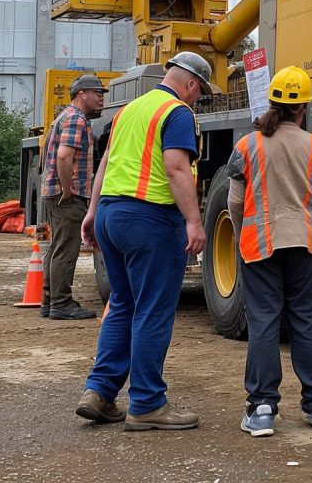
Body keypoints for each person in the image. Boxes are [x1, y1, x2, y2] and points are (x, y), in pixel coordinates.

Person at [74, 52, 209, 430]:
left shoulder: (128, 111)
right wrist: (194, 221)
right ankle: (147, 403)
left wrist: (92, 211)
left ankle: (100, 392)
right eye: (200, 92)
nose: (198, 99)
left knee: (123, 304)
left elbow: (105, 164)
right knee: (152, 309)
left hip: (111, 216)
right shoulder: (178, 112)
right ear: (192, 84)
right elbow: (176, 167)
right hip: (150, 218)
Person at [226, 66, 312, 438]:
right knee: (308, 319)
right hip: (307, 243)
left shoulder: (247, 146)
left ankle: (262, 408)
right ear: (303, 108)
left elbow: (235, 202)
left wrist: (243, 234)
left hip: (260, 244)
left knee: (264, 321)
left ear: (272, 101)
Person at [40, 74, 107, 320]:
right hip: (66, 194)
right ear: (81, 94)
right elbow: (64, 156)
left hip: (55, 192)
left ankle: (50, 300)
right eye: (96, 92)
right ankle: (61, 303)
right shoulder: (76, 120)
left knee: (58, 246)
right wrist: (68, 190)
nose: (101, 97)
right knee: (66, 249)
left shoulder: (66, 117)